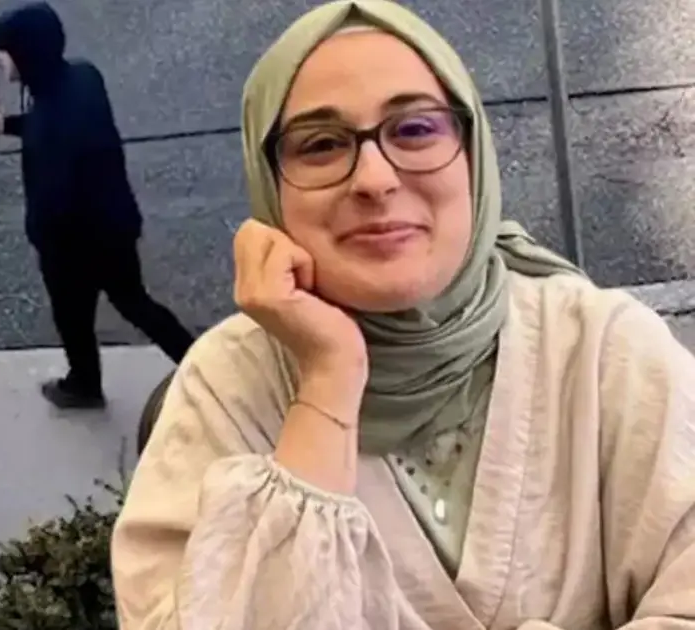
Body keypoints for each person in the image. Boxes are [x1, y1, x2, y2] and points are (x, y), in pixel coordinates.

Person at [111, 1, 695, 628]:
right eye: (322, 144)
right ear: (269, 184)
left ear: (473, 155)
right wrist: (327, 383)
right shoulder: (229, 388)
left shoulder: (603, 350)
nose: (374, 178)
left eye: (414, 130)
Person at [0, 1, 196, 410]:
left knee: (72, 317)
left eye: (4, 51)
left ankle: (84, 386)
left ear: (25, 55)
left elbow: (50, 205)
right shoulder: (83, 77)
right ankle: (202, 364)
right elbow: (59, 123)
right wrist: (8, 125)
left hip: (76, 246)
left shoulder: (49, 127)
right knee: (136, 303)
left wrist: (40, 240)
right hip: (116, 224)